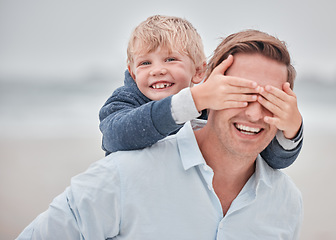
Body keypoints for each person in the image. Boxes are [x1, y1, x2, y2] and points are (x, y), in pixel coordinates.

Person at [17, 29, 303, 239]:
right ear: (207, 88)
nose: (254, 113)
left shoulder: (285, 201)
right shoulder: (123, 174)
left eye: (270, 99)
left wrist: (293, 128)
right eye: (239, 93)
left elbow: (281, 149)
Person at [99, 15, 303, 169]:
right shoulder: (125, 100)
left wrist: (291, 130)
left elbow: (271, 159)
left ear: (198, 71)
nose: (157, 70)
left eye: (170, 59)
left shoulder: (208, 109)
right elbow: (115, 136)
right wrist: (193, 100)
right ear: (133, 74)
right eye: (145, 63)